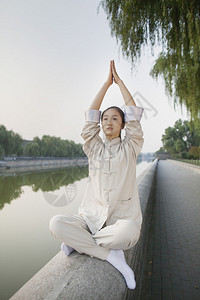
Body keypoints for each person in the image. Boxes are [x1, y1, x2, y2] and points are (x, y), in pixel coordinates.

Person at [49, 60, 144, 289]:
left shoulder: (130, 148)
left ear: (123, 125)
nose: (108, 122)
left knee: (130, 232)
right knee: (56, 223)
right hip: (90, 220)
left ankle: (78, 244)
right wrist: (105, 84)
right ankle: (111, 256)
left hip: (119, 222)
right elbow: (90, 117)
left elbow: (134, 116)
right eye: (105, 119)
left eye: (115, 119)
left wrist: (119, 83)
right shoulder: (94, 148)